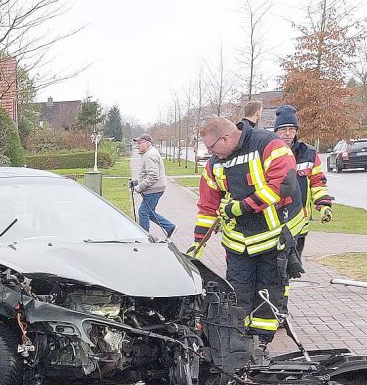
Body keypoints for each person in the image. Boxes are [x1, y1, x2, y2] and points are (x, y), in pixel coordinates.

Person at [192, 117, 302, 352]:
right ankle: (237, 341)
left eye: (212, 147)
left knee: (268, 291)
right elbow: (208, 207)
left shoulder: (269, 145)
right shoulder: (214, 165)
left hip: (273, 239)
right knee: (236, 292)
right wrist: (197, 243)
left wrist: (241, 207)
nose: (211, 153)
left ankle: (261, 342)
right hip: (238, 244)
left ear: (225, 138)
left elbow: (281, 185)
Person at [272, 105, 333, 259]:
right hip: (273, 220)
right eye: (283, 129)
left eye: (291, 129)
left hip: (300, 220)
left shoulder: (309, 153)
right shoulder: (267, 152)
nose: (287, 133)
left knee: (294, 264)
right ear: (275, 130)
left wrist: (324, 205)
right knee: (275, 267)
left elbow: (317, 182)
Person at [129, 133, 176, 237]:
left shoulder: (150, 155)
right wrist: (137, 182)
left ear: (147, 143)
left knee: (143, 212)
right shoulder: (148, 154)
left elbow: (153, 176)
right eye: (137, 143)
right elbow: (148, 173)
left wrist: (139, 187)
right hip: (155, 188)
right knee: (149, 212)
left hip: (154, 189)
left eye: (139, 143)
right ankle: (170, 227)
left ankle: (144, 236)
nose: (137, 145)